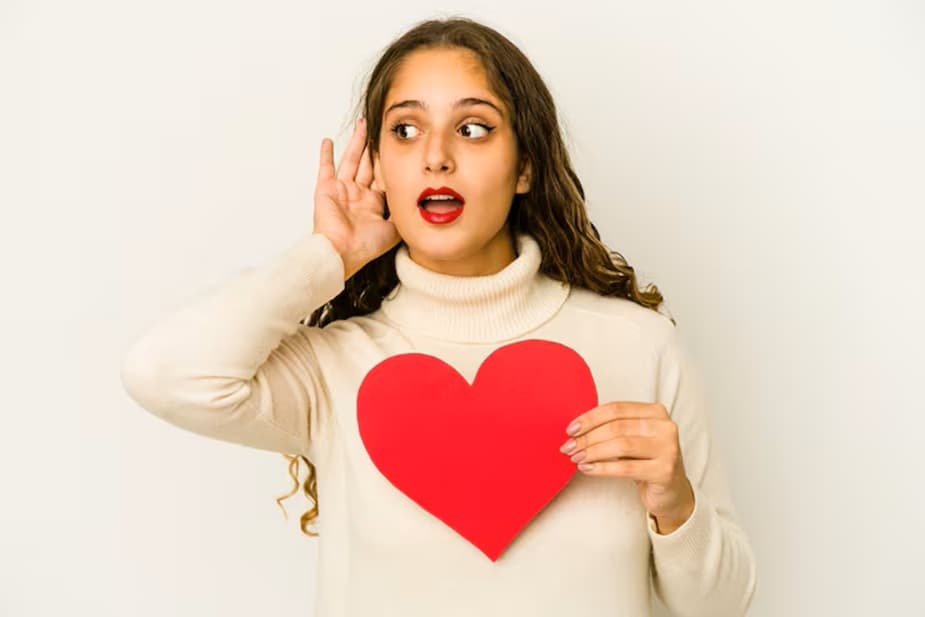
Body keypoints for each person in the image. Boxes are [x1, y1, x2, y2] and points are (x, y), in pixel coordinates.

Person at [120, 16, 757, 617]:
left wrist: (675, 502)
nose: (436, 157)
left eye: (473, 128)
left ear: (525, 167)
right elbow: (162, 373)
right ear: (378, 168)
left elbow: (722, 604)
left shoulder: (640, 348)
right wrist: (330, 255)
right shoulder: (334, 370)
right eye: (405, 130)